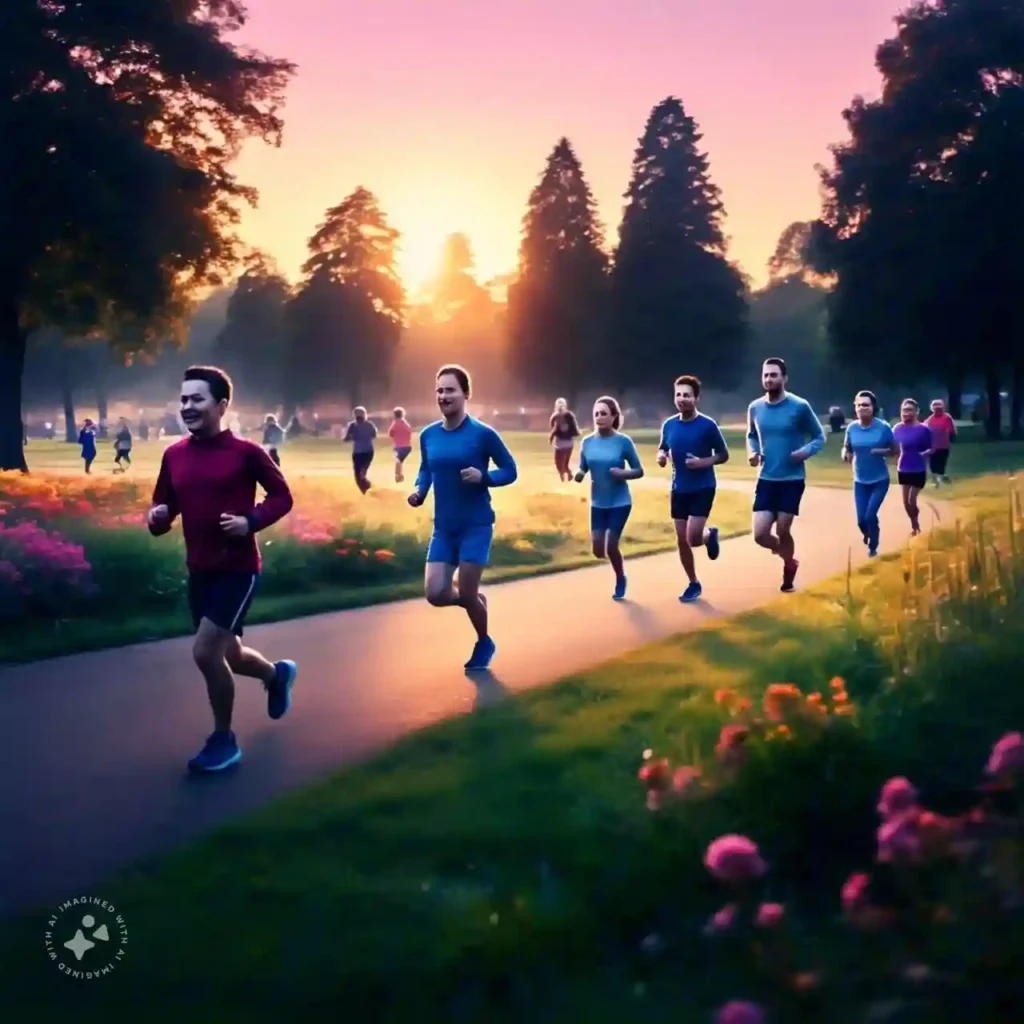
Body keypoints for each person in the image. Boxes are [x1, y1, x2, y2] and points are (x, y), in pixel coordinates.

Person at [147, 365, 297, 774]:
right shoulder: (174, 455)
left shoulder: (246, 453)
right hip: (200, 570)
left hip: (238, 569)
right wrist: (157, 517)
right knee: (228, 653)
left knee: (205, 652)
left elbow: (282, 497)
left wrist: (250, 521)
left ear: (222, 404)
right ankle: (276, 674)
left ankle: (223, 740)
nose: (188, 407)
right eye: (183, 400)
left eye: (197, 399)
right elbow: (162, 510)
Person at [408, 365, 517, 670]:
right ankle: (475, 602)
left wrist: (484, 477)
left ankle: (484, 641)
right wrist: (419, 491)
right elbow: (426, 468)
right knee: (435, 593)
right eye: (440, 390)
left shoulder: (483, 434)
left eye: (450, 390)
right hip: (444, 528)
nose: (444, 396)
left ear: (465, 394)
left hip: (476, 525)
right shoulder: (429, 435)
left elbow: (510, 470)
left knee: (467, 590)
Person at [746, 357, 826, 592]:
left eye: (774, 375)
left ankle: (788, 570)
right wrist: (753, 451)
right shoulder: (755, 407)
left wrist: (805, 452)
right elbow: (751, 435)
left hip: (791, 479)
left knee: (782, 529)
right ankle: (789, 558)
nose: (769, 379)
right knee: (760, 535)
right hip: (766, 478)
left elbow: (819, 436)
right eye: (766, 375)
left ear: (784, 378)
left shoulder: (799, 406)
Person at [656, 375, 727, 602]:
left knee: (693, 538)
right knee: (682, 539)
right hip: (679, 488)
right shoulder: (669, 425)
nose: (682, 399)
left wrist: (702, 462)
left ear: (696, 398)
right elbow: (663, 446)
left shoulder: (707, 425)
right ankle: (693, 583)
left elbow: (723, 455)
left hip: (703, 486)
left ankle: (708, 536)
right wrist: (661, 456)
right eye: (678, 395)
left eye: (687, 395)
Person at [575, 396, 644, 601]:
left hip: (620, 501)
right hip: (598, 502)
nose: (599, 417)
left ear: (614, 416)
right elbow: (583, 465)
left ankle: (620, 578)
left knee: (611, 544)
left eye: (604, 413)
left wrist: (623, 474)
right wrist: (580, 473)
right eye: (596, 413)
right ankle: (615, 564)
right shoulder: (587, 442)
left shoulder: (623, 441)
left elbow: (639, 470)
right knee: (598, 550)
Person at [841, 390, 895, 557]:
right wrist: (844, 453)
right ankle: (867, 533)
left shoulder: (883, 427)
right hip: (860, 480)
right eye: (859, 405)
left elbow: (894, 451)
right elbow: (847, 447)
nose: (862, 408)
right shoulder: (851, 428)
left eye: (866, 405)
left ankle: (874, 544)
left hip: (879, 479)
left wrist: (880, 451)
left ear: (873, 407)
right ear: (855, 408)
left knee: (870, 514)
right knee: (861, 520)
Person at [892, 398, 933, 536]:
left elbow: (932, 448)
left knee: (911, 499)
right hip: (903, 469)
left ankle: (916, 527)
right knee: (906, 503)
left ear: (916, 412)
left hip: (918, 469)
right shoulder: (897, 429)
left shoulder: (923, 429)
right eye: (904, 410)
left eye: (910, 410)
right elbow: (892, 446)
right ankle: (914, 524)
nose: (906, 413)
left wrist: (924, 454)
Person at [344, 406, 377, 494]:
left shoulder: (353, 425)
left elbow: (346, 438)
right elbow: (374, 435)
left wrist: (352, 437)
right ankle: (367, 489)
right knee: (361, 474)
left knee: (358, 475)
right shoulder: (369, 425)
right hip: (368, 452)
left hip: (359, 452)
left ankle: (366, 488)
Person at [924, 399, 956, 486]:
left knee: (941, 463)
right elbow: (924, 429)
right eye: (935, 407)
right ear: (932, 409)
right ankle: (937, 481)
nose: (937, 409)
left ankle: (941, 479)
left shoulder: (947, 417)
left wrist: (950, 437)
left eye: (939, 407)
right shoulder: (930, 419)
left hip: (943, 446)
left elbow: (952, 431)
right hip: (932, 446)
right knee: (933, 465)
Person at [549, 398, 580, 481]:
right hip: (567, 443)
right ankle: (567, 474)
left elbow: (553, 429)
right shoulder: (569, 416)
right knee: (564, 464)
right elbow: (575, 429)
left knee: (558, 462)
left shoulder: (555, 417)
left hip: (562, 443)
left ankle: (563, 474)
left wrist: (551, 438)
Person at [388, 407, 414, 483]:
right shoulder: (405, 423)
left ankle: (398, 476)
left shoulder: (395, 423)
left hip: (399, 447)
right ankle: (399, 475)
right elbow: (409, 432)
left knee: (397, 460)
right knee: (399, 461)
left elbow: (390, 433)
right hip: (408, 447)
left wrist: (396, 436)